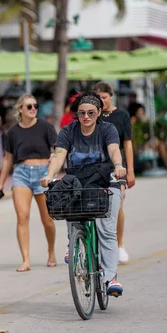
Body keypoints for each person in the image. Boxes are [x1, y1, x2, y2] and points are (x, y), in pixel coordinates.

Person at [40, 91, 126, 296]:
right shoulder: (68, 131)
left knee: (107, 229)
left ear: (98, 113)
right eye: (81, 113)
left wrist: (119, 165)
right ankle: (74, 241)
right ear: (76, 114)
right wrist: (49, 175)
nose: (86, 117)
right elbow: (59, 154)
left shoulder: (108, 129)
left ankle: (111, 277)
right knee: (67, 203)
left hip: (105, 180)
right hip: (78, 181)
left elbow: (114, 149)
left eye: (91, 112)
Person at [0, 94, 58, 272]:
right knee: (22, 217)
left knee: (47, 219)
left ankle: (51, 251)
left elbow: (57, 149)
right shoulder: (12, 132)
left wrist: (54, 163)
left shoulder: (45, 126)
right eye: (29, 106)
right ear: (20, 109)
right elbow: (8, 159)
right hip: (21, 173)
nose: (33, 109)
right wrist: (0, 184)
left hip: (43, 173)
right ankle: (26, 260)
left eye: (35, 106)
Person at [94, 82, 134, 264]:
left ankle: (119, 244)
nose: (101, 101)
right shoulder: (92, 115)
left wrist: (130, 170)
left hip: (117, 167)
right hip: (95, 166)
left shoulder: (121, 116)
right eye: (98, 98)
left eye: (104, 97)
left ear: (111, 96)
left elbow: (128, 143)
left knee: (116, 206)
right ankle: (99, 245)